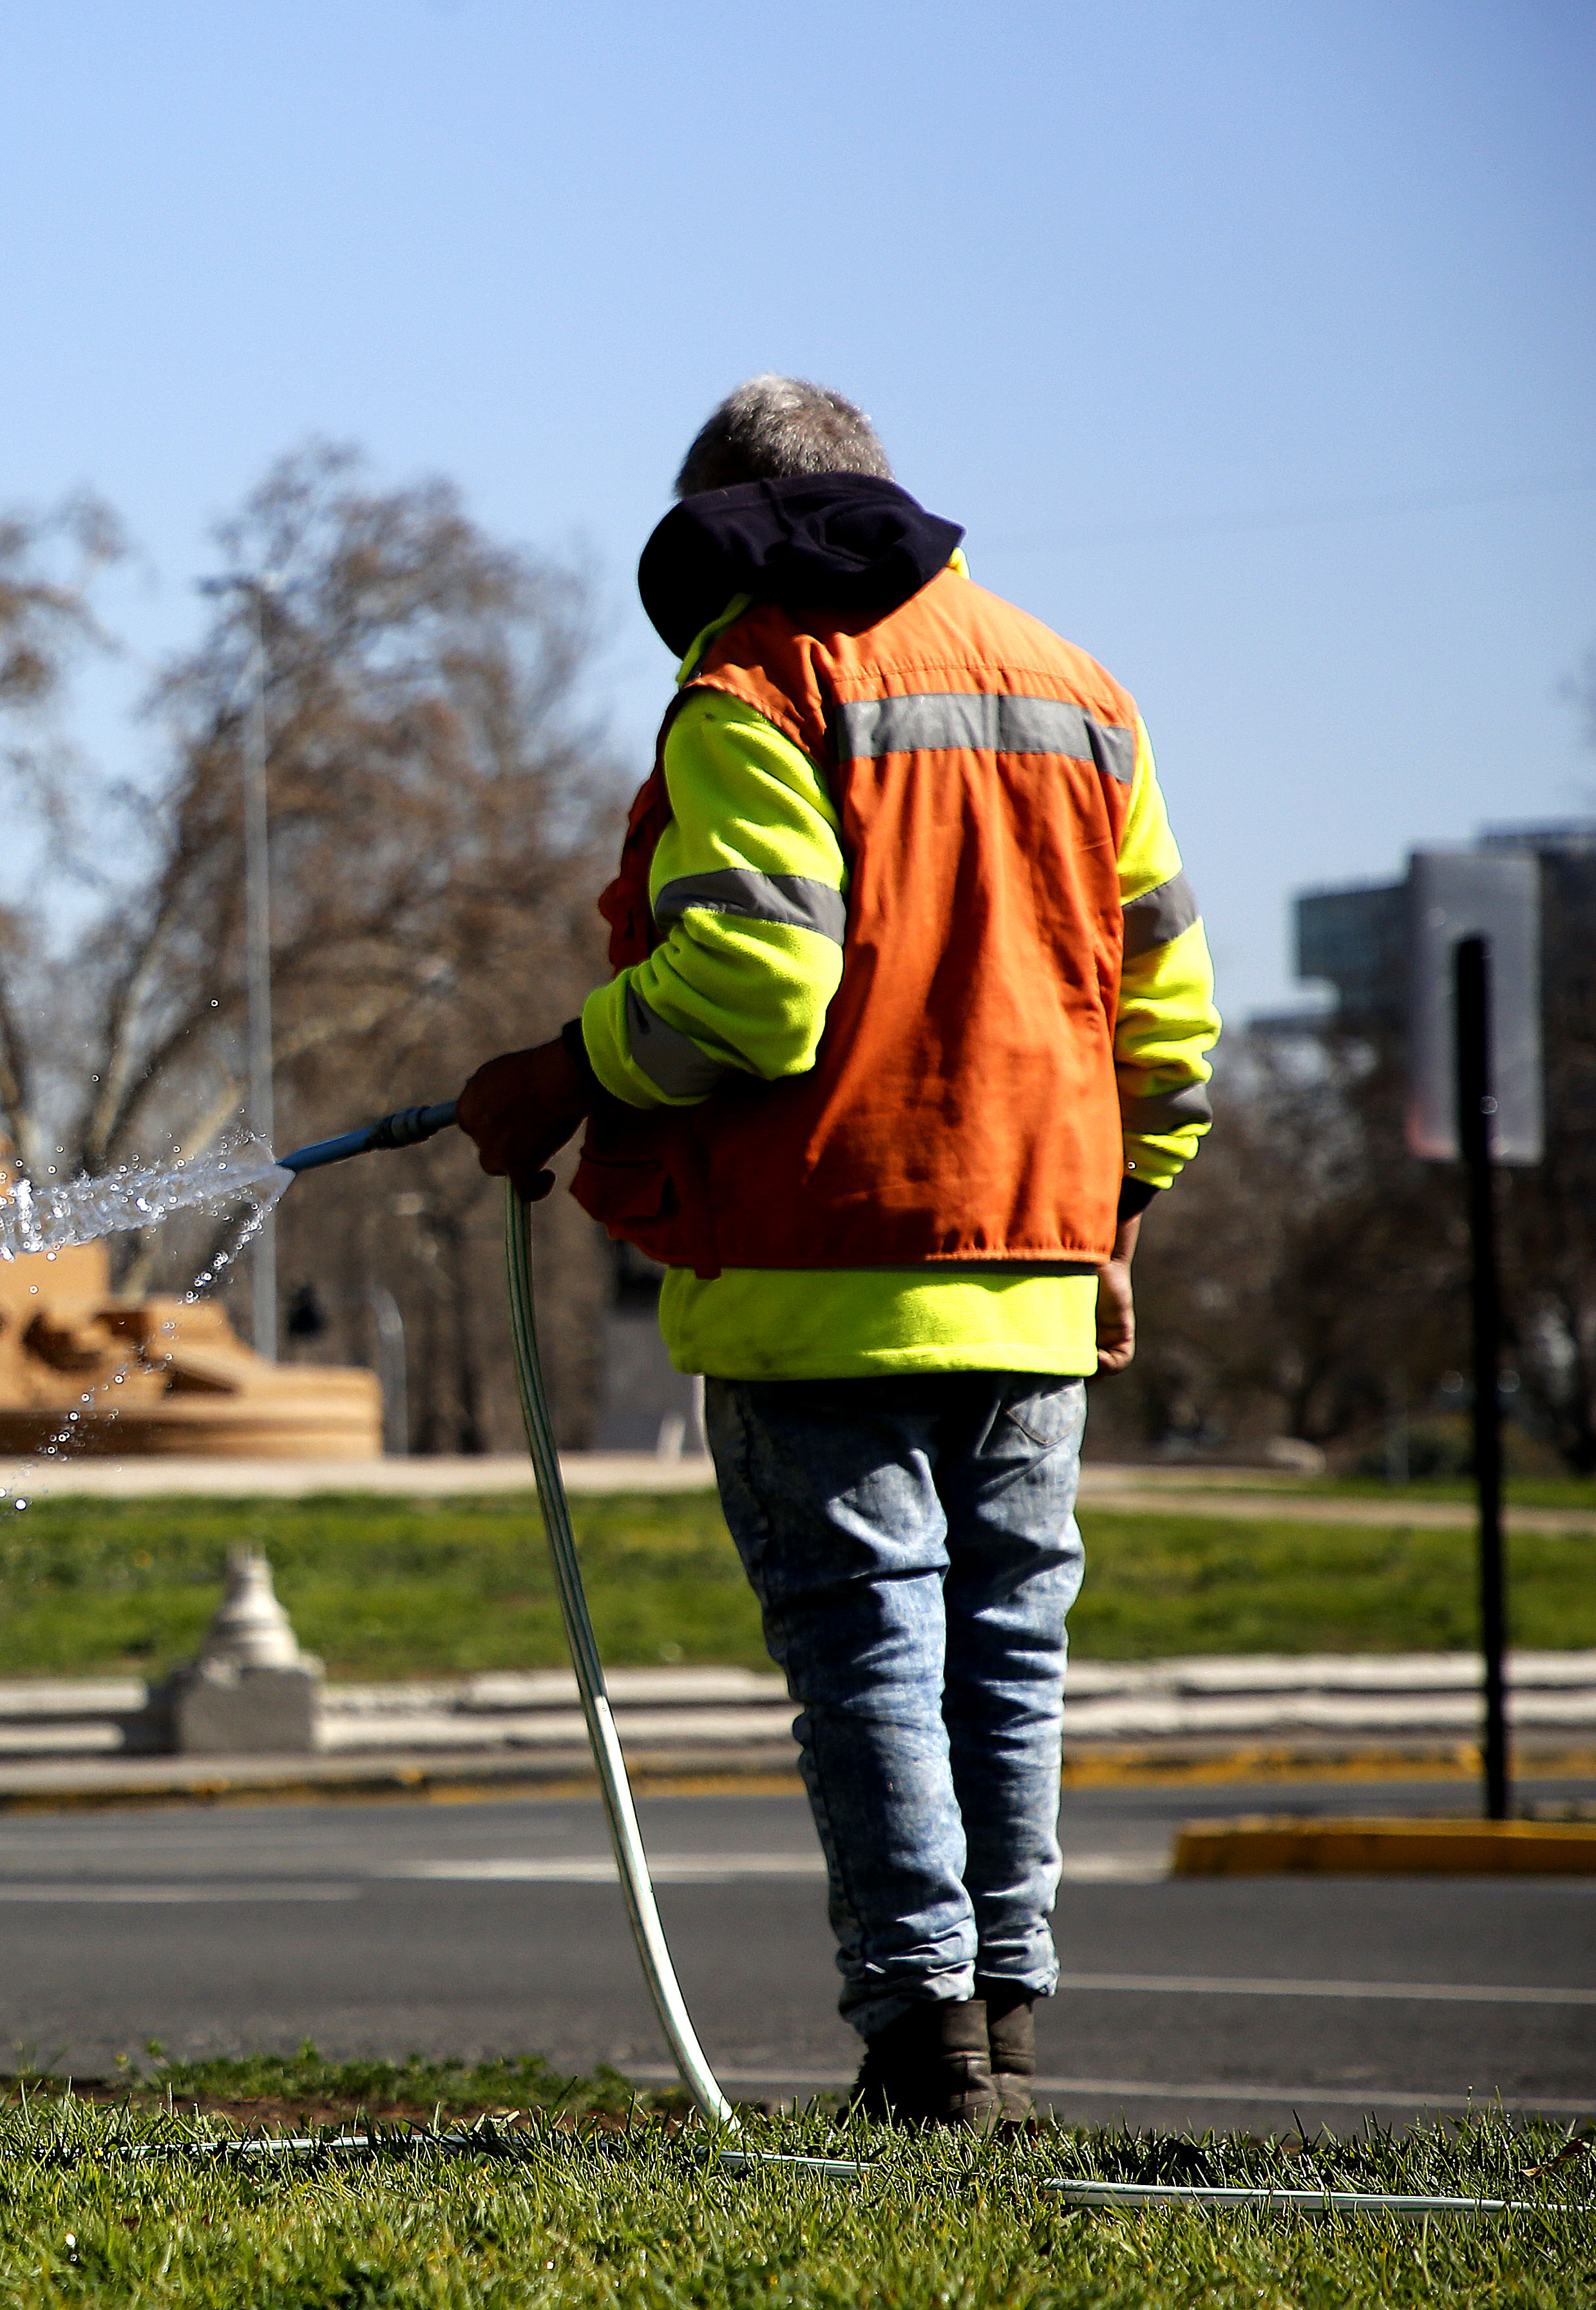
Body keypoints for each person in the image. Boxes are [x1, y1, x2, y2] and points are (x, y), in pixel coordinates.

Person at [453, 377, 1219, 2128]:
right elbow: (1168, 1033)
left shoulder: (758, 683)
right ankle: (1003, 2041)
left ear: (729, 518)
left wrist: (557, 1072)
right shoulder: (1080, 694)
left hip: (820, 1276)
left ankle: (920, 2049)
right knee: (1005, 1659)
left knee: (873, 1655)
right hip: (1035, 1280)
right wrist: (1107, 1221)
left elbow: (750, 982)